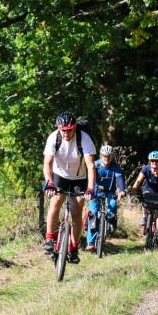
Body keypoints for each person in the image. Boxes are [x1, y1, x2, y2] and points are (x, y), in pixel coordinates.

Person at [42, 112, 96, 263]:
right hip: (59, 175)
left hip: (80, 178)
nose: (66, 133)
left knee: (76, 211)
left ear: (75, 127)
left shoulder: (84, 138)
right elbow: (47, 163)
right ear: (58, 128)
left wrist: (90, 188)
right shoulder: (54, 137)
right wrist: (49, 183)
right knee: (56, 201)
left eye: (69, 130)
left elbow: (91, 166)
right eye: (63, 130)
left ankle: (73, 247)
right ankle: (49, 239)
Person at [85, 145, 125, 249]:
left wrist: (121, 191)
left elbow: (119, 179)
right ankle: (90, 242)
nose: (107, 158)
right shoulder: (95, 165)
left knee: (113, 204)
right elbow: (88, 178)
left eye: (109, 156)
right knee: (93, 216)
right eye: (104, 156)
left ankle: (110, 223)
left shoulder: (115, 167)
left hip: (109, 193)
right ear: (101, 155)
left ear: (112, 156)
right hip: (95, 193)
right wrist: (87, 190)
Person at [131, 150, 158, 244]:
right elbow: (138, 181)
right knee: (146, 201)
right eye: (152, 161)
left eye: (157, 161)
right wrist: (134, 190)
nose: (154, 163)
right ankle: (144, 216)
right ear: (149, 161)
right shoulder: (145, 169)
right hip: (148, 191)